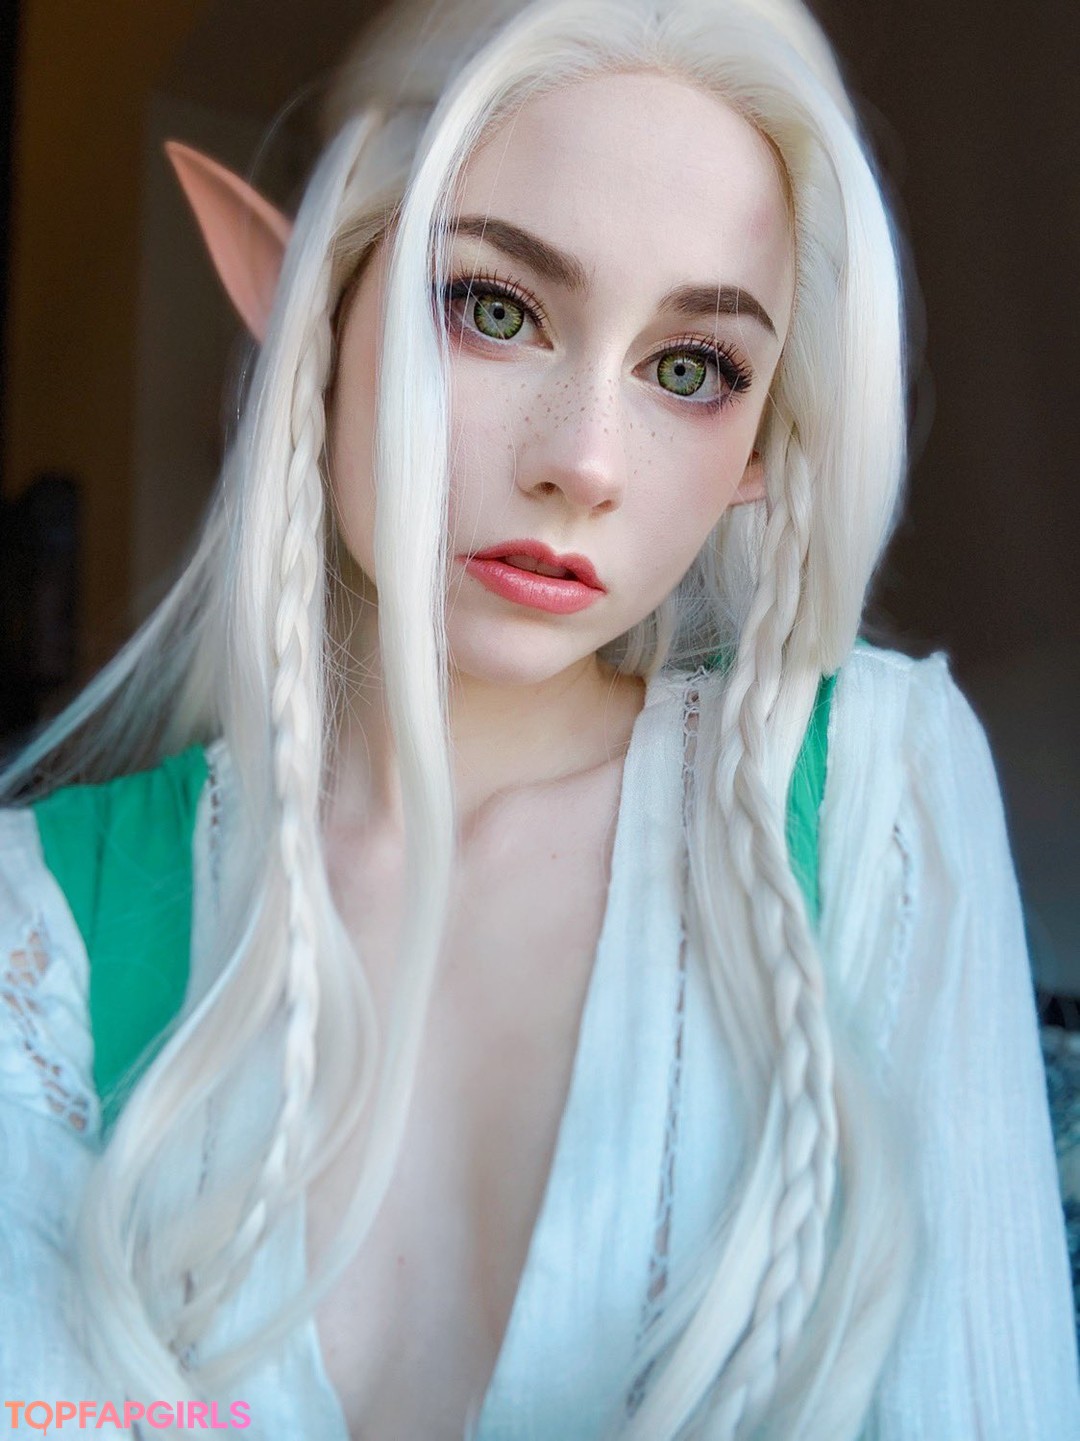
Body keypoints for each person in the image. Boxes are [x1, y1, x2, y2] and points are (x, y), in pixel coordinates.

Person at [0, 0, 1076, 1435]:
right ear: (320, 304)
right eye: (496, 309)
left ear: (763, 448)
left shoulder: (883, 790)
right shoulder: (44, 925)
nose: (585, 461)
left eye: (691, 370)